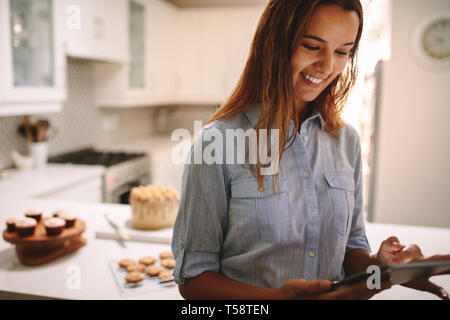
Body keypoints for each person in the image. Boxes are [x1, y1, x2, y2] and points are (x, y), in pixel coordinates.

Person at [171, 0, 450, 299]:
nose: (328, 66)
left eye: (343, 51)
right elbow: (194, 281)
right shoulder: (217, 142)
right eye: (312, 46)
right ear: (275, 44)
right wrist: (276, 300)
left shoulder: (346, 141)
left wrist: (384, 271)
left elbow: (351, 252)